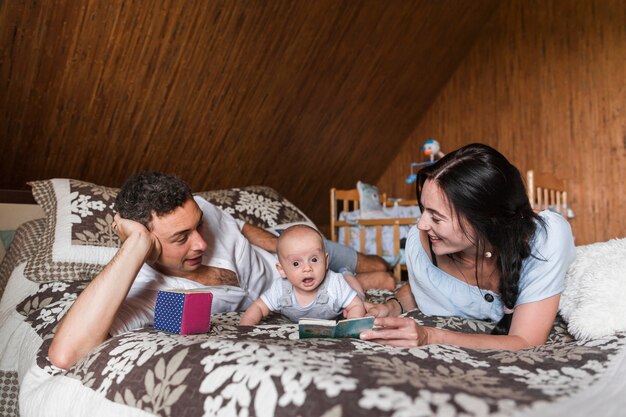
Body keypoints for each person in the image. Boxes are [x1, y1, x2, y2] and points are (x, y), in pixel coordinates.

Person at [49, 171, 393, 369]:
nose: (200, 243)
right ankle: (367, 280)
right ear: (147, 241)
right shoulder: (145, 290)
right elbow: (66, 354)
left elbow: (240, 226)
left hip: (293, 251)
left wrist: (283, 247)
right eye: (181, 238)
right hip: (291, 286)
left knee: (380, 264)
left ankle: (369, 273)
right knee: (382, 280)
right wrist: (136, 245)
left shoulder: (197, 210)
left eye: (198, 226)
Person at [360, 143, 576, 350]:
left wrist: (430, 336)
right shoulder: (421, 244)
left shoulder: (546, 238)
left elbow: (526, 341)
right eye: (423, 210)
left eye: (436, 218)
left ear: (484, 221)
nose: (421, 224)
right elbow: (426, 284)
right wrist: (390, 306)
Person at [240, 225, 366, 325]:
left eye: (314, 260)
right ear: (282, 270)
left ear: (326, 261)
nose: (307, 268)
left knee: (359, 296)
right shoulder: (280, 289)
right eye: (296, 263)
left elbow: (355, 305)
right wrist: (246, 327)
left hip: (343, 285)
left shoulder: (334, 283)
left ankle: (346, 272)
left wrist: (352, 322)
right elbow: (259, 307)